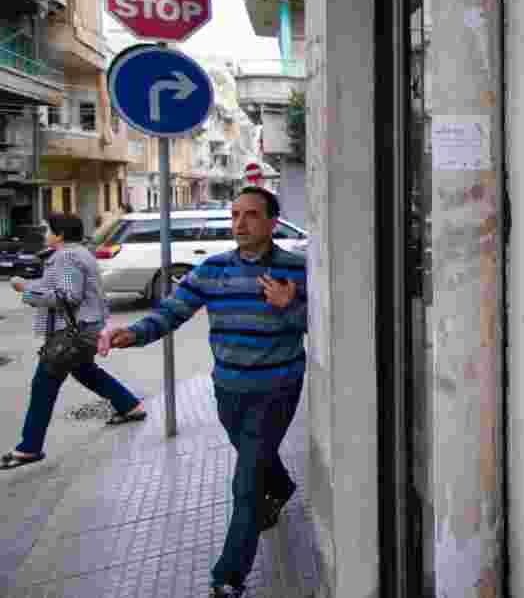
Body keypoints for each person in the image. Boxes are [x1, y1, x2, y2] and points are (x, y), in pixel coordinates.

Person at [101, 186, 307, 598]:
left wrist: (293, 306)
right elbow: (172, 311)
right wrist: (133, 333)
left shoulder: (298, 268)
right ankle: (282, 487)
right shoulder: (213, 269)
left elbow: (328, 322)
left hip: (277, 388)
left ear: (271, 222)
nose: (240, 224)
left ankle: (228, 578)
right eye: (234, 215)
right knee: (256, 457)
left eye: (250, 215)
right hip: (229, 390)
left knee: (246, 481)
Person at [1, 214, 147, 471]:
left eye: (48, 229)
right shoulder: (78, 253)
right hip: (84, 330)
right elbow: (62, 287)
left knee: (43, 384)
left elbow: (68, 295)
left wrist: (26, 290)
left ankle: (29, 447)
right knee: (85, 371)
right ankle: (129, 405)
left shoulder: (66, 257)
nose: (45, 233)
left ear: (59, 234)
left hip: (71, 332)